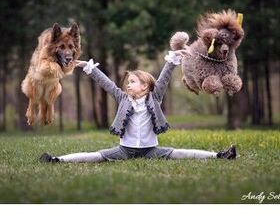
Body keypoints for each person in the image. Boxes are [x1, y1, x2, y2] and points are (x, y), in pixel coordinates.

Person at [39, 49, 236, 163]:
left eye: (132, 81)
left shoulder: (154, 97)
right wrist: (86, 67)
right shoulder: (123, 98)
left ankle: (219, 155)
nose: (128, 84)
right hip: (125, 150)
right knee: (96, 156)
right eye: (128, 82)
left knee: (180, 153)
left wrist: (173, 60)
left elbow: (164, 78)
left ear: (145, 86)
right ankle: (58, 159)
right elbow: (106, 83)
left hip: (151, 150)